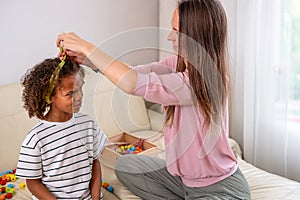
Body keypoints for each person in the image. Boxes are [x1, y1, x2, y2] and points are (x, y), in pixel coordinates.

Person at [56, 0, 251, 199]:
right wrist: (88, 60)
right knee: (125, 165)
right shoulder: (178, 64)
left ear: (195, 36)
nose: (169, 36)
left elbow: (133, 84)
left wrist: (88, 47)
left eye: (176, 31)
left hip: (219, 188)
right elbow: (131, 74)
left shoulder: (205, 79)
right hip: (183, 181)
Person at [16, 57, 107, 200]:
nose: (79, 97)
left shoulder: (88, 125)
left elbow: (95, 162)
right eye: (70, 93)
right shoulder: (36, 138)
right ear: (50, 96)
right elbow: (33, 183)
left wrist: (95, 197)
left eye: (80, 89)